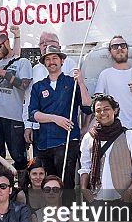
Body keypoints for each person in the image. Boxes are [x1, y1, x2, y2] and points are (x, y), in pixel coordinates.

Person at [27, 45, 91, 203]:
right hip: (44, 143)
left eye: (55, 58)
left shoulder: (72, 83)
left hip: (67, 140)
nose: (51, 62)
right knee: (48, 184)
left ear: (62, 60)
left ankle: (67, 220)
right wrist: (56, 118)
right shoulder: (38, 86)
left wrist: (82, 83)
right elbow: (33, 114)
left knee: (66, 183)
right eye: (48, 59)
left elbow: (88, 107)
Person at [79, 94, 132, 207]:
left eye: (106, 109)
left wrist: (130, 190)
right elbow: (85, 166)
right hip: (96, 198)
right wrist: (84, 189)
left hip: (123, 199)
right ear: (94, 114)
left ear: (115, 110)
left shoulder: (129, 136)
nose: (102, 113)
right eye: (98, 110)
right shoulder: (89, 137)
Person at [0, 31, 32, 170]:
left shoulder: (22, 62)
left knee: (19, 157)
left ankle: (22, 189)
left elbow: (24, 85)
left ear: (7, 43)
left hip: (14, 116)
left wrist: (3, 73)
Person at [23, 30, 76, 145]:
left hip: (65, 128)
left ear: (58, 45)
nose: (45, 44)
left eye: (49, 41)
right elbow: (29, 100)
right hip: (39, 128)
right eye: (42, 43)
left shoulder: (70, 63)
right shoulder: (35, 69)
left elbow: (78, 96)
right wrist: (28, 126)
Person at [93, 36, 132, 131]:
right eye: (115, 46)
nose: (119, 48)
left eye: (123, 45)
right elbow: (98, 101)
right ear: (110, 52)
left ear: (127, 49)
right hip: (119, 127)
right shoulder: (105, 74)